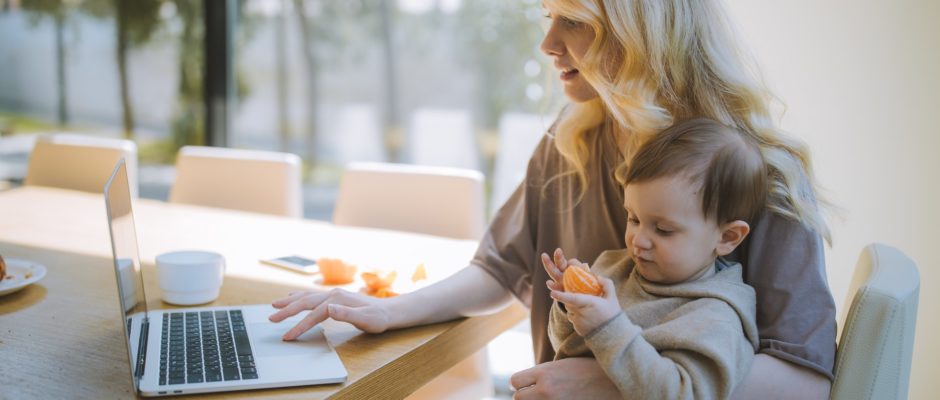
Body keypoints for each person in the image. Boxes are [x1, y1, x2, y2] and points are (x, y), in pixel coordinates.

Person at [268, 0, 837, 398]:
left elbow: (804, 379)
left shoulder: (759, 173)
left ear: (642, 32)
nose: (547, 43)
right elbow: (501, 267)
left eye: (574, 21)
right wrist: (389, 310)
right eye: (548, 16)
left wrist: (620, 385)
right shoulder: (571, 139)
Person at [543, 118, 765, 399]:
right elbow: (566, 348)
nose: (638, 239)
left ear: (727, 237)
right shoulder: (614, 268)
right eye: (633, 218)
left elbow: (682, 394)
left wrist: (607, 327)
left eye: (663, 230)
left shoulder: (715, 317)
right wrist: (570, 305)